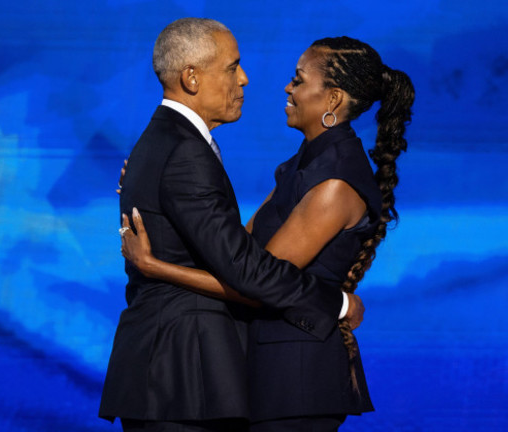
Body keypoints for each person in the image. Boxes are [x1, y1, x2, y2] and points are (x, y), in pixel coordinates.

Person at [119, 36, 415, 431]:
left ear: (332, 100)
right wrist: (164, 191)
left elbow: (255, 283)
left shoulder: (334, 182)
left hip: (297, 379)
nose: (287, 88)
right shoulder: (302, 166)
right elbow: (237, 252)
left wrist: (155, 266)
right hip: (265, 371)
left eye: (298, 80)